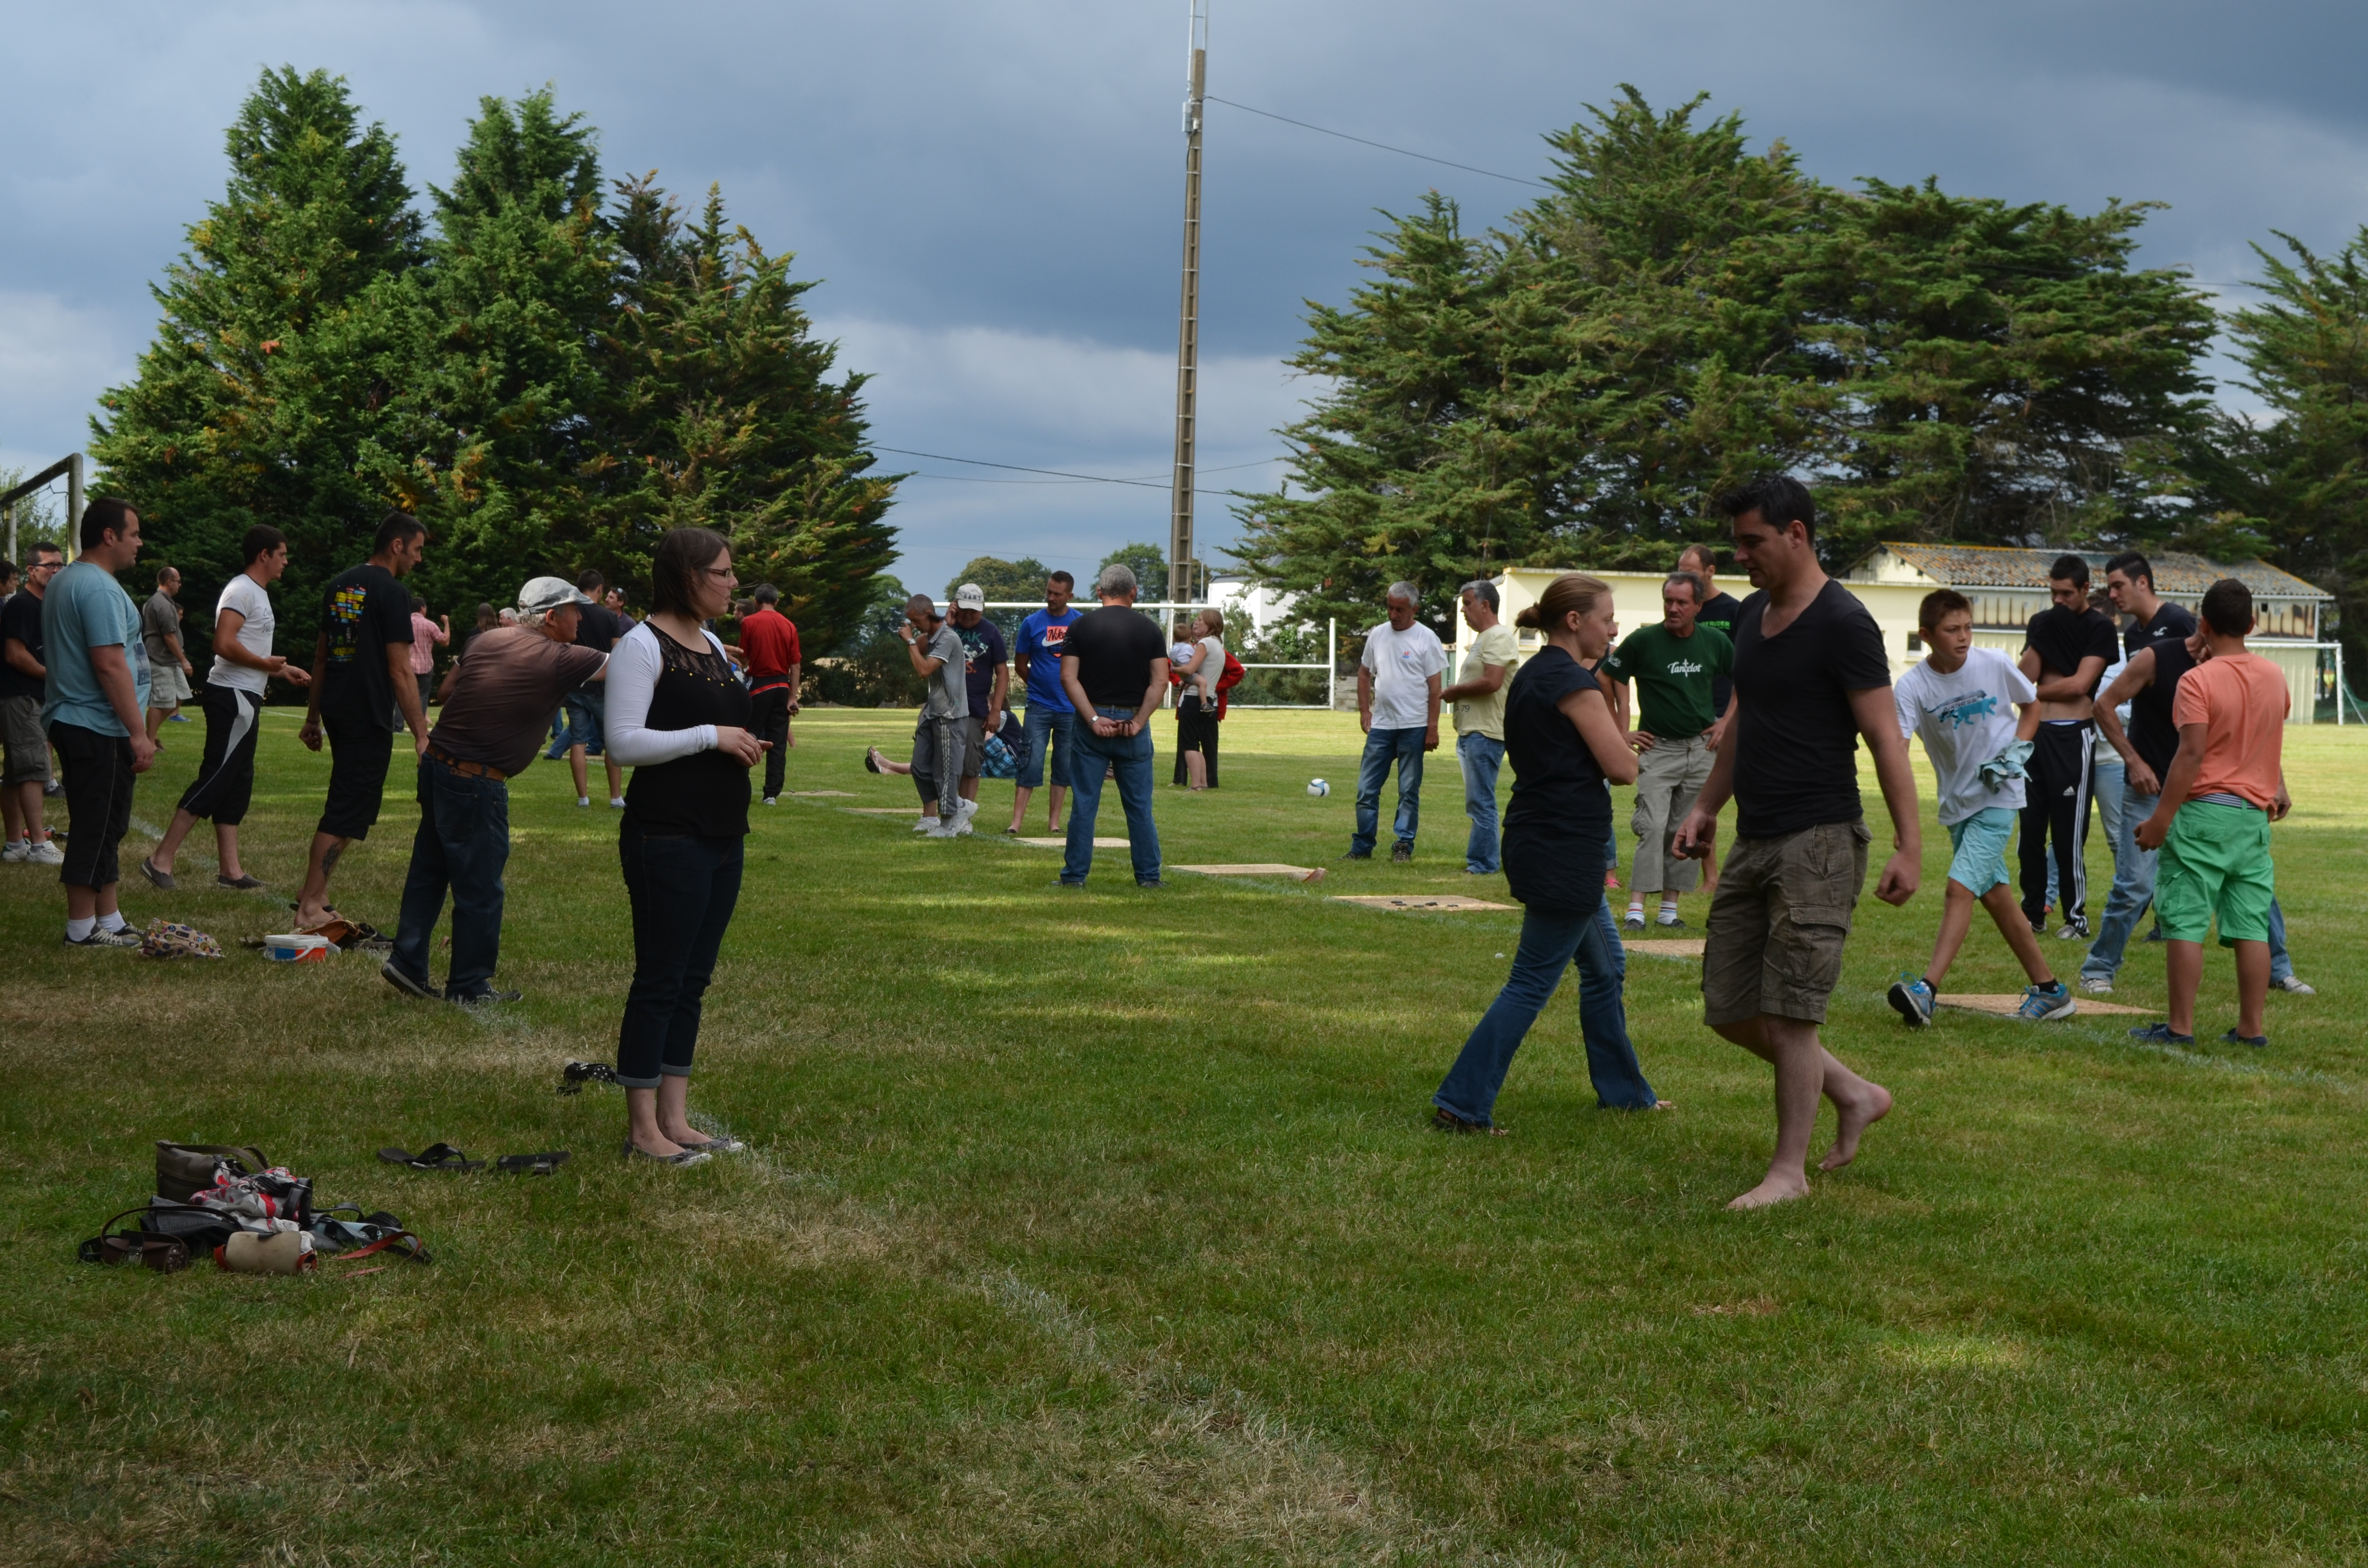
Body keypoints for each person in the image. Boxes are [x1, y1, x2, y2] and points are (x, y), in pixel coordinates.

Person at [1671, 476, 1919, 1210]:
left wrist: (1909, 845)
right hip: (1755, 836)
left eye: (1753, 542)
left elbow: (1885, 736)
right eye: (1737, 544)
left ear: (1798, 535)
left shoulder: (1844, 622)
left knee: (1790, 1013)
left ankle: (1788, 1173)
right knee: (1729, 1006)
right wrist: (1708, 805)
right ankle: (1856, 1094)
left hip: (1820, 839)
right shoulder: (1751, 615)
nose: (1741, 557)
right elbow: (1745, 720)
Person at [1432, 574, 1666, 1132]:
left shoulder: (1536, 674)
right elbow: (1622, 768)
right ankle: (1461, 1104)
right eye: (1606, 619)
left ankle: (1626, 1095)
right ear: (1574, 621)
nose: (1613, 628)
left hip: (1540, 839)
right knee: (1531, 981)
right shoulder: (1572, 683)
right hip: (1563, 850)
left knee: (1605, 969)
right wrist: (1628, 729)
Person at [600, 528, 765, 1162]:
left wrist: (739, 741)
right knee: (660, 980)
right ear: (689, 576)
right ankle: (644, 1132)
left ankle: (676, 1118)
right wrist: (711, 736)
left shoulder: (714, 644)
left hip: (722, 835)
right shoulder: (641, 647)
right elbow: (623, 743)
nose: (732, 582)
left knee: (692, 981)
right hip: (666, 836)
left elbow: (714, 725)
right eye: (723, 572)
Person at [382, 576, 613, 1005]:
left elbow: (449, 690)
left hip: (436, 766)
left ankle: (407, 961)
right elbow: (632, 665)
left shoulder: (485, 641)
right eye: (575, 611)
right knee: (481, 887)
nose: (581, 619)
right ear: (551, 617)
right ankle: (469, 986)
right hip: (475, 782)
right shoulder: (561, 657)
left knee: (429, 871)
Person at [1884, 589, 2071, 1026]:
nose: (1964, 637)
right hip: (1958, 803)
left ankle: (1926, 990)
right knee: (1997, 898)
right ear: (1927, 635)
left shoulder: (1995, 663)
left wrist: (2016, 752)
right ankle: (2051, 991)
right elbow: (1897, 749)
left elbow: (2032, 705)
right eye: (1952, 630)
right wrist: (1900, 820)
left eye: (1968, 627)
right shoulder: (1912, 686)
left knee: (1958, 889)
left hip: (1999, 795)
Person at [2128, 579, 2291, 1047]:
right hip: (2253, 818)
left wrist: (2160, 820)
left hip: (2202, 815)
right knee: (2251, 925)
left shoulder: (2196, 681)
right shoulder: (2274, 676)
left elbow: (2190, 754)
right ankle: (2250, 1029)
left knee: (2184, 920)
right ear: (2252, 624)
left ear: (2203, 624)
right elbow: (2264, 735)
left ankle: (2179, 1027)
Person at [140, 525, 312, 891]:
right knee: (216, 776)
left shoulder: (257, 593)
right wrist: (266, 664)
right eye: (282, 554)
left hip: (245, 694)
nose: (286, 561)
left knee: (237, 781)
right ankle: (160, 859)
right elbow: (223, 643)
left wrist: (281, 671)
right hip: (232, 697)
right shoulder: (241, 590)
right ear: (264, 555)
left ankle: (230, 872)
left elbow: (247, 650)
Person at [294, 511, 431, 931]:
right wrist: (422, 735)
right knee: (347, 808)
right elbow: (400, 669)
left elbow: (321, 658)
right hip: (367, 712)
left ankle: (317, 893)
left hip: (338, 710)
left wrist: (313, 718)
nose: (419, 559)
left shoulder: (339, 585)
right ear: (397, 545)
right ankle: (309, 906)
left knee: (349, 803)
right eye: (417, 550)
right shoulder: (393, 592)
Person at [42, 499, 158, 946]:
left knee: (106, 822)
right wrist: (138, 733)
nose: (139, 543)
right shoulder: (99, 589)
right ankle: (81, 928)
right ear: (109, 536)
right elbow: (110, 664)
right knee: (97, 826)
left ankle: (108, 918)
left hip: (75, 719)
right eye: (134, 533)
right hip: (96, 724)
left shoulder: (68, 579)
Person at [2079, 551, 2194, 993]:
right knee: (2133, 885)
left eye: (2118, 586)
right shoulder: (2133, 635)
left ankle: (2279, 968)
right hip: (2147, 776)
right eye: (2109, 587)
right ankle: (2098, 969)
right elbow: (2121, 701)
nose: (2111, 595)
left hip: (2191, 776)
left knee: (2239, 874)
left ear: (2143, 582)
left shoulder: (2180, 622)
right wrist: (2135, 759)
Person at [1603, 571, 1732, 930]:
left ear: (1699, 607)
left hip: (1701, 748)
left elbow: (1745, 678)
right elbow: (1606, 677)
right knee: (1653, 825)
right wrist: (1620, 731)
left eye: (1682, 603)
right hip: (1658, 748)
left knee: (1685, 828)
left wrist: (1726, 721)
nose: (1673, 609)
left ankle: (1669, 911)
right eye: (1668, 601)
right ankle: (1635, 909)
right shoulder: (1643, 641)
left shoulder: (1715, 641)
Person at [2016, 555, 2116, 940]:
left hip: (2074, 737)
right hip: (2035, 736)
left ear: (2085, 589)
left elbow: (2079, 686)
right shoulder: (2042, 623)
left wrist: (2034, 691)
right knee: (2029, 833)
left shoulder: (2100, 627)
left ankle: (2076, 919)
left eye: (2067, 594)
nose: (2058, 600)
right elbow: (2021, 679)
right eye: (2053, 593)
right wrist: (2043, 636)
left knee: (2068, 834)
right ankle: (2033, 913)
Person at [1057, 563, 1168, 887]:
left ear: (1099, 592)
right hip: (1133, 723)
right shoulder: (1150, 629)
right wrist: (1138, 721)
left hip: (1091, 723)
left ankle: (1074, 877)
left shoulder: (1080, 627)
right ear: (1134, 592)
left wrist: (1093, 718)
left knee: (1084, 804)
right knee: (1140, 807)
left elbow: (1068, 677)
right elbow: (1160, 682)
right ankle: (1149, 877)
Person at [1349, 582, 1446, 862]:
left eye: (1400, 610)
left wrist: (1432, 727)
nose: (1393, 615)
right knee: (1366, 789)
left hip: (1414, 726)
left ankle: (1403, 845)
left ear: (1415, 609)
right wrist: (1365, 711)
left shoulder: (1426, 638)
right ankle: (1362, 847)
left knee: (1408, 791)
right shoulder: (1378, 635)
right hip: (1381, 726)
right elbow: (1364, 673)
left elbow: (1435, 687)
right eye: (1390, 608)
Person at [1435, 580, 1520, 876]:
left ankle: (1484, 863)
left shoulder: (1499, 637)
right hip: (1472, 732)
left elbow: (1493, 682)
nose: (1463, 611)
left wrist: (1455, 691)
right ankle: (1481, 859)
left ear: (1486, 605)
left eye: (1468, 604)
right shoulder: (1485, 639)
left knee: (1481, 800)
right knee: (1478, 799)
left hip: (1485, 733)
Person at [1678, 544, 1740, 892]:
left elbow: (1744, 671)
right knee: (1700, 798)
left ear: (1710, 571)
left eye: (1690, 571)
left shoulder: (1734, 610)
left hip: (1726, 716)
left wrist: (1729, 719)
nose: (1683, 576)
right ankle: (1710, 878)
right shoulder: (1684, 608)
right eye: (1680, 570)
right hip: (1695, 719)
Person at [1, 544, 63, 865]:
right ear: (31, 570)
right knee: (34, 771)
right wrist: (54, 676)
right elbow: (15, 654)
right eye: (49, 565)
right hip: (22, 697)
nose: (56, 571)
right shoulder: (23, 605)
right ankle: (39, 845)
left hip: (30, 695)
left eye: (60, 565)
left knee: (16, 774)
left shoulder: (44, 604)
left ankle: (15, 844)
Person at [1010, 571, 1082, 834]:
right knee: (1030, 761)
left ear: (1069, 595)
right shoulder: (1031, 623)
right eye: (1049, 592)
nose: (1051, 598)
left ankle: (1054, 823)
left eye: (1057, 594)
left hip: (1070, 708)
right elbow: (1020, 664)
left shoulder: (1080, 624)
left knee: (1064, 765)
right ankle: (1016, 823)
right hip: (1038, 706)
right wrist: (1038, 685)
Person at [553, 568, 626, 809]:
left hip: (576, 685)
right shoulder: (610, 618)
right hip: (603, 689)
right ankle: (616, 797)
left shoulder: (572, 614)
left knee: (578, 741)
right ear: (600, 589)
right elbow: (618, 654)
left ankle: (583, 798)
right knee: (612, 743)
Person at [900, 592, 971, 836]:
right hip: (933, 711)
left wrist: (910, 640)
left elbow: (923, 671)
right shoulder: (933, 636)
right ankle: (960, 805)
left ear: (929, 614)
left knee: (946, 772)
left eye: (916, 620)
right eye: (910, 621)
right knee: (920, 766)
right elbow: (918, 648)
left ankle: (947, 824)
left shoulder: (948, 639)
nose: (914, 625)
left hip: (950, 714)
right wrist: (914, 638)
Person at [737, 583, 802, 804]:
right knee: (778, 742)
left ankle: (740, 785)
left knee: (749, 736)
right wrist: (792, 697)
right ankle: (771, 794)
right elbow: (795, 665)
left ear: (756, 602)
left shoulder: (749, 622)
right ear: (777, 601)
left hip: (759, 685)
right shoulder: (789, 625)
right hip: (782, 686)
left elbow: (744, 657)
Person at [948, 584, 1008, 809]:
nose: (968, 615)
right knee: (941, 764)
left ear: (982, 609)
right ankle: (938, 814)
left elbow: (1003, 673)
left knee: (970, 765)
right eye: (964, 609)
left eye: (974, 610)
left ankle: (964, 814)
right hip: (944, 708)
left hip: (974, 710)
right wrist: (946, 625)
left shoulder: (991, 632)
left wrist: (995, 711)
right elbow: (923, 647)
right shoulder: (945, 628)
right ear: (955, 606)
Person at [1172, 607, 1225, 791]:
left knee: (1189, 745)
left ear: (1210, 624)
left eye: (1200, 620)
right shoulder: (1218, 645)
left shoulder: (1204, 644)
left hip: (1193, 699)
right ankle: (1203, 783)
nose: (1196, 623)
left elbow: (1189, 669)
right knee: (1198, 745)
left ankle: (1195, 786)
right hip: (1208, 699)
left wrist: (1174, 668)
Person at [139, 567, 193, 744]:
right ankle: (150, 741)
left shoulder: (164, 602)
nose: (180, 585)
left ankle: (150, 735)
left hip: (170, 661)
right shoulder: (161, 604)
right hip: (159, 660)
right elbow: (169, 636)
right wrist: (184, 661)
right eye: (178, 581)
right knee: (161, 702)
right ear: (169, 582)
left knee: (181, 694)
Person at [407, 596, 449, 718]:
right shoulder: (429, 625)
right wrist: (446, 624)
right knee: (423, 696)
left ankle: (397, 725)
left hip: (408, 665)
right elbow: (445, 641)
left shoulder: (404, 623)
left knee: (404, 695)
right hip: (425, 665)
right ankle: (420, 723)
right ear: (422, 608)